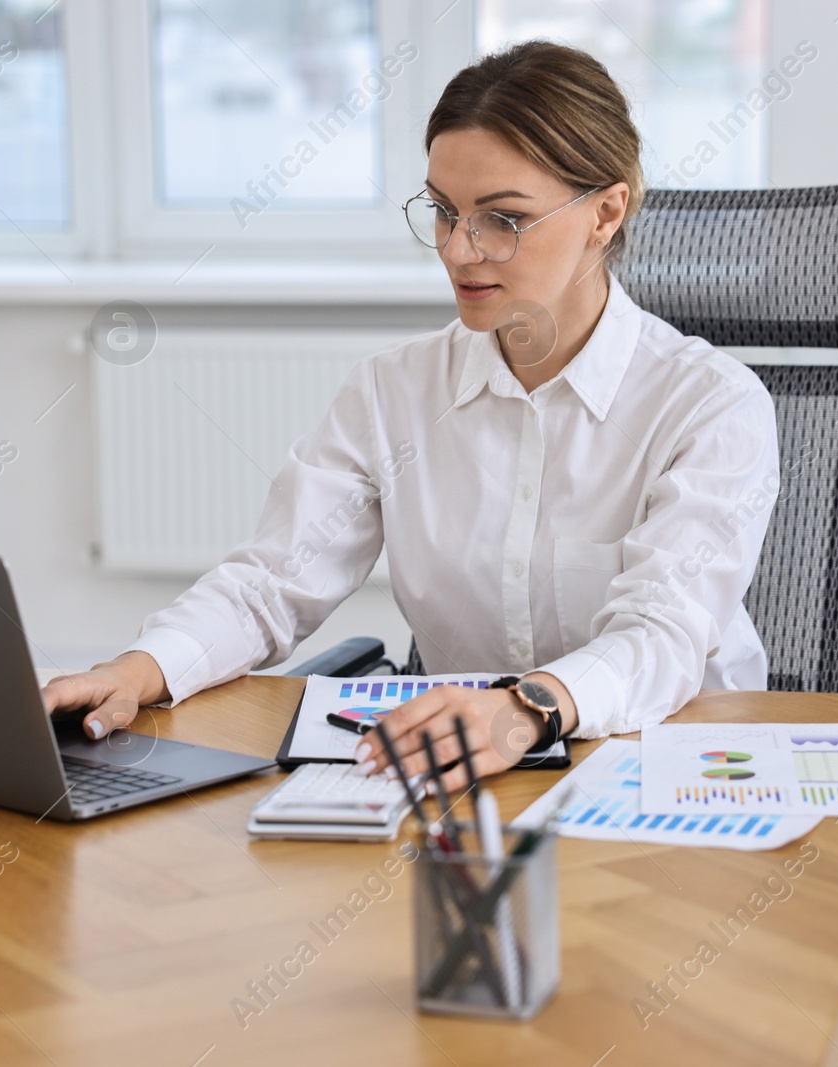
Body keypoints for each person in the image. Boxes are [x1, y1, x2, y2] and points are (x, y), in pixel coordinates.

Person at [44, 40, 778, 796]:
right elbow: (273, 581)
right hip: (466, 777)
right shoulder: (392, 391)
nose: (459, 250)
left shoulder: (712, 405)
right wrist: (135, 670)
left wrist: (524, 710)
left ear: (606, 211)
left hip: (672, 770)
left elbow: (662, 631)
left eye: (503, 219)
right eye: (443, 211)